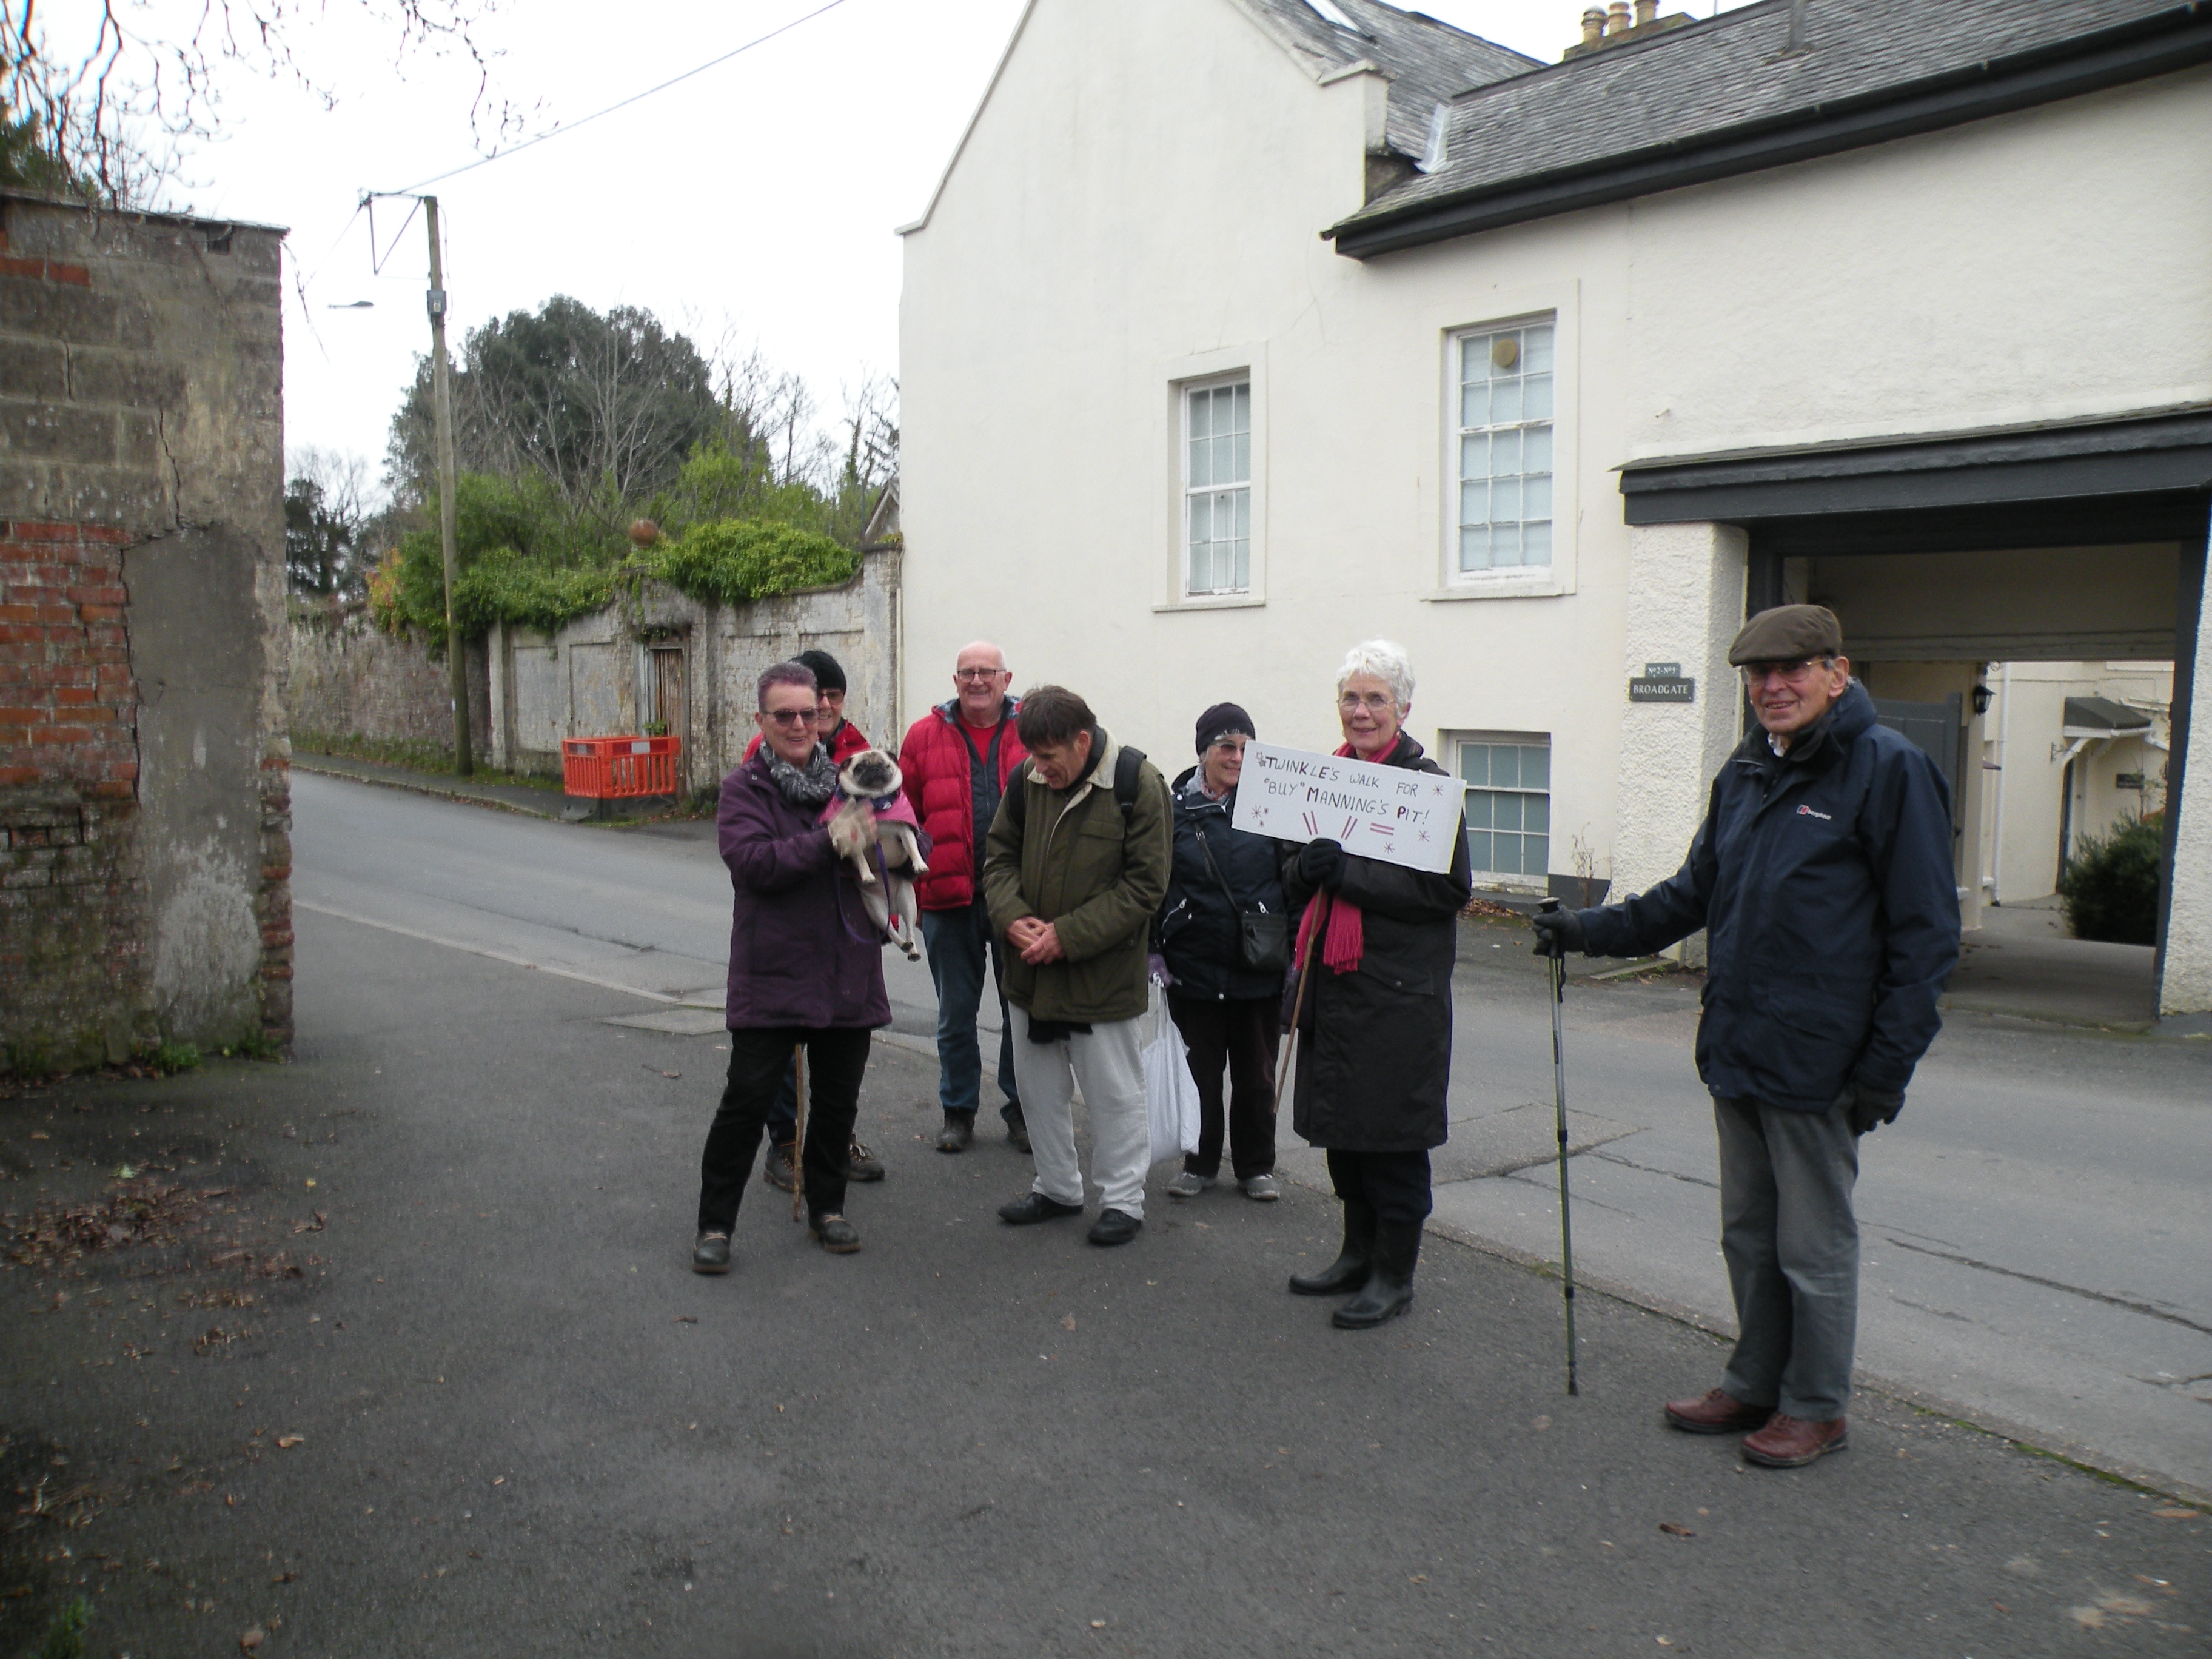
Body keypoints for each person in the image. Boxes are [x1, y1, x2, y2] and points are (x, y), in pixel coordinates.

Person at [1532, 605, 1959, 1468]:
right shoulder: (1748, 772)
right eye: (1758, 675)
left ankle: (1816, 1405)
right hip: (1740, 1046)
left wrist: (1885, 1071)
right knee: (1750, 1236)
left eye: (1791, 670)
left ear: (1836, 672)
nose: (1772, 687)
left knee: (1813, 1245)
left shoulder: (1889, 771)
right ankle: (1757, 1380)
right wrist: (1585, 930)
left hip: (1821, 1060)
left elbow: (1926, 939)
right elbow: (1690, 897)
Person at [691, 660, 913, 1272]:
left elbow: (892, 844)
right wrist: (826, 841)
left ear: (823, 716)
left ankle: (828, 1209)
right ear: (760, 720)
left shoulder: (852, 780)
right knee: (746, 1102)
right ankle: (715, 1225)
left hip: (847, 964)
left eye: (807, 714)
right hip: (774, 969)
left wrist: (891, 844)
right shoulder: (744, 789)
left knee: (838, 1104)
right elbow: (754, 864)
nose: (797, 724)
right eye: (783, 714)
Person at [1282, 641, 1472, 1330]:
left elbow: (1448, 889)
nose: (1361, 712)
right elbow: (1291, 877)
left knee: (1392, 1141)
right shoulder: (1325, 777)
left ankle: (1395, 1276)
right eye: (1352, 699)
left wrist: (1346, 876)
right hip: (1334, 988)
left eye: (1375, 699)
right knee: (1346, 1135)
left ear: (1403, 708)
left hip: (1398, 994)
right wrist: (1306, 871)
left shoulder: (1427, 788)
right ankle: (1355, 1256)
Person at [982, 685, 1171, 1247]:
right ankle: (1058, 1188)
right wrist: (1012, 917)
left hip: (1100, 975)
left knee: (1114, 1093)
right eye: (1033, 757)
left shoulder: (1139, 783)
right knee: (1038, 1090)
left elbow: (1145, 887)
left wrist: (1067, 936)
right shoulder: (1025, 782)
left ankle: (1123, 1201)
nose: (1041, 769)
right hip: (1030, 972)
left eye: (1049, 757)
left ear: (1083, 740)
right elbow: (998, 859)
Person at [743, 648, 883, 1195]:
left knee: (839, 1043)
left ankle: (833, 1140)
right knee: (782, 1047)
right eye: (812, 696)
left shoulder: (859, 751)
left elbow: (893, 816)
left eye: (831, 696)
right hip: (787, 922)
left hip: (845, 919)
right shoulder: (767, 753)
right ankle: (784, 1142)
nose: (820, 708)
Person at [899, 642, 1030, 1153]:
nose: (977, 681)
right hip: (948, 898)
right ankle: (958, 1112)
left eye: (987, 672)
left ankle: (1023, 1111)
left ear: (1006, 677)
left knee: (1021, 1013)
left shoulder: (1031, 730)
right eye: (967, 673)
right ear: (955, 681)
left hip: (1017, 900)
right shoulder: (924, 735)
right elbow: (902, 813)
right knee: (956, 1015)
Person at [1155, 702, 1287, 1202]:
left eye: (1246, 748)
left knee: (1256, 1078)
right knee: (1200, 1077)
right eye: (1226, 747)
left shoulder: (1274, 808)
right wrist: (1155, 950)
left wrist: (1293, 953)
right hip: (1193, 967)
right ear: (1203, 751)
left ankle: (1256, 1166)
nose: (1237, 757)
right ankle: (1200, 1162)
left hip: (1259, 965)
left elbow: (1292, 882)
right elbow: (1154, 884)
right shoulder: (1173, 810)